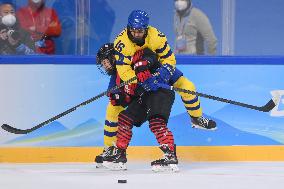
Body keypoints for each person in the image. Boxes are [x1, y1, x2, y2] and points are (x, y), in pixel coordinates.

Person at [95, 10, 216, 167]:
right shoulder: (121, 42)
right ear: (128, 28)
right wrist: (136, 82)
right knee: (113, 109)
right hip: (137, 76)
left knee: (187, 86)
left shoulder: (156, 36)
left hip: (157, 69)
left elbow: (169, 59)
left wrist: (161, 74)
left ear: (146, 28)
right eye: (133, 30)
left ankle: (197, 118)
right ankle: (111, 149)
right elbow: (124, 69)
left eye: (140, 30)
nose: (136, 33)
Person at [96, 43, 178, 172]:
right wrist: (118, 97)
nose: (105, 66)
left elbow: (151, 56)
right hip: (144, 96)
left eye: (106, 62)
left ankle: (170, 157)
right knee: (124, 118)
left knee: (156, 122)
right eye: (103, 63)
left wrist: (146, 68)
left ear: (113, 57)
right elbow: (123, 98)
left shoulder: (132, 55)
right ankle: (120, 155)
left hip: (160, 91)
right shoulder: (117, 75)